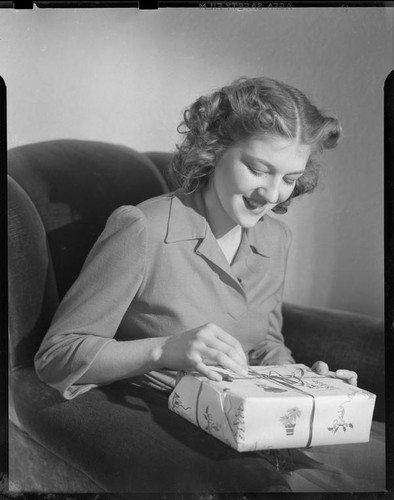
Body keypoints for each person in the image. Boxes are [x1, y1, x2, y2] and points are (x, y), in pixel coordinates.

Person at [34, 77, 380, 492]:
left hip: (264, 425)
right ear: (213, 150)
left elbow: (266, 343)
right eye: (258, 169)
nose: (271, 195)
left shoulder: (276, 238)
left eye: (289, 178)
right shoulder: (141, 227)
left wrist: (306, 386)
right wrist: (165, 349)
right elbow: (57, 356)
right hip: (181, 424)